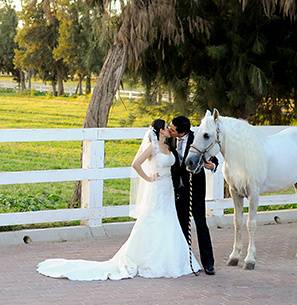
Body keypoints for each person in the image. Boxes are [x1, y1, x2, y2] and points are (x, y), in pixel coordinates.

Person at [36, 119, 201, 280]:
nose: (168, 130)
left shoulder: (169, 147)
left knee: (169, 220)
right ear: (159, 131)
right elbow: (135, 164)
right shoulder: (153, 147)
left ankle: (174, 260)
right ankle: (149, 259)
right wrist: (148, 178)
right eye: (165, 127)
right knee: (154, 220)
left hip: (168, 189)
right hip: (157, 188)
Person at [168, 115, 218, 275]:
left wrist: (212, 165)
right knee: (181, 224)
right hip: (178, 189)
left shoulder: (197, 139)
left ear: (181, 132)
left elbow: (213, 158)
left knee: (201, 223)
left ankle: (208, 263)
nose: (170, 129)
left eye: (173, 128)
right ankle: (184, 260)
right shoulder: (170, 140)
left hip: (195, 188)